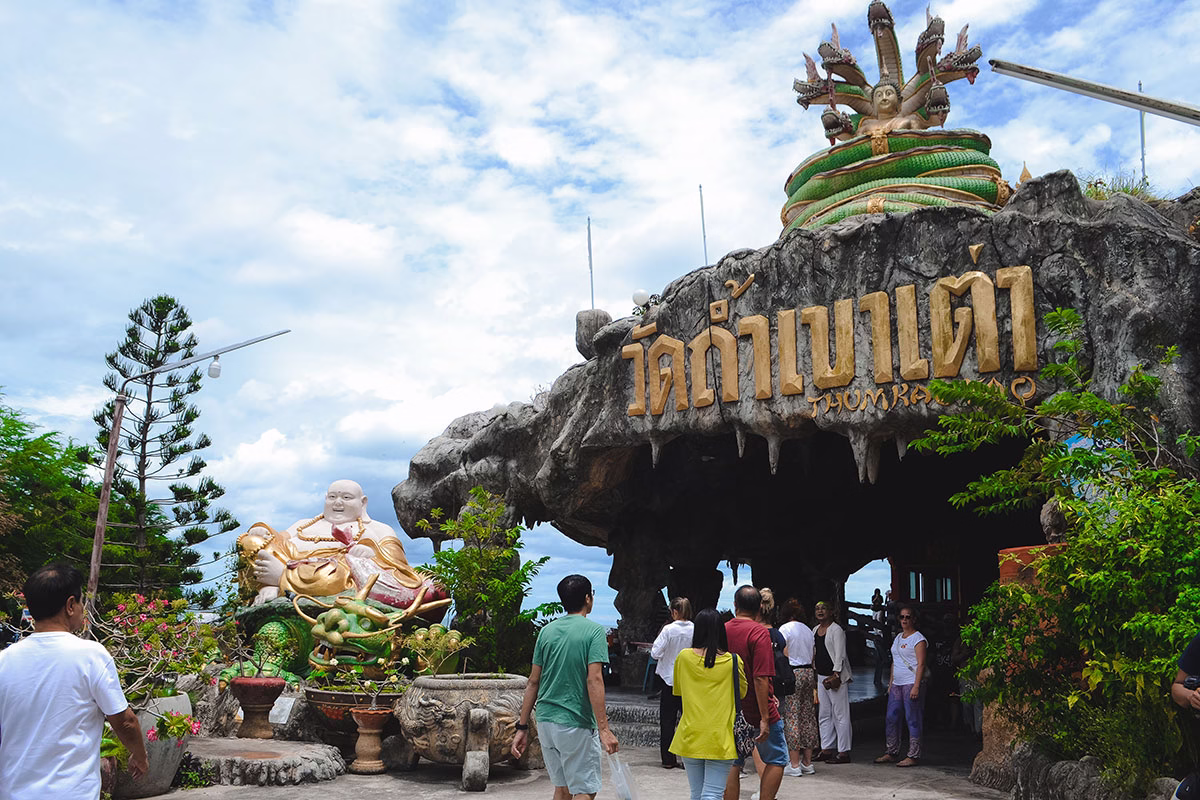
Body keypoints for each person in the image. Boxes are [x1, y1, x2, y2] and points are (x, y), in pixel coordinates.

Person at [0, 564, 149, 798]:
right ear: (70, 605)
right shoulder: (90, 656)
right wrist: (140, 757)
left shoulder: (4, 661)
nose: (82, 609)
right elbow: (125, 722)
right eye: (81, 602)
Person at [238, 479, 447, 613]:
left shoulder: (378, 529)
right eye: (332, 497)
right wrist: (261, 531)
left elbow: (399, 567)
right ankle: (269, 585)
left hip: (330, 575)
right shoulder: (303, 524)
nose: (338, 503)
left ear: (363, 502)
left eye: (346, 498)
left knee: (339, 572)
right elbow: (279, 540)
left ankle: (281, 580)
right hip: (290, 561)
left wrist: (372, 554)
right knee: (250, 543)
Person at [512, 574, 618, 800]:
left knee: (562, 788)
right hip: (575, 722)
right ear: (588, 598)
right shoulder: (594, 632)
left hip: (546, 722)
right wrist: (604, 729)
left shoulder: (547, 631)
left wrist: (522, 727)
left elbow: (533, 681)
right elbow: (594, 679)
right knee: (585, 790)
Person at [669, 608, 747, 800]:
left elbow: (678, 690)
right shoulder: (733, 661)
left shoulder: (684, 657)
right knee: (712, 793)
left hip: (690, 734)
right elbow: (742, 692)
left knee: (696, 794)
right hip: (721, 737)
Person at [723, 585, 786, 800]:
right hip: (757, 708)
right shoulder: (759, 633)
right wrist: (765, 717)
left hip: (730, 708)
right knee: (777, 758)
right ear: (760, 607)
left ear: (735, 605)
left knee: (733, 761)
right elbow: (760, 677)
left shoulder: (723, 630)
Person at [875, 605, 927, 767]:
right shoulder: (898, 637)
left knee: (913, 718)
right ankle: (891, 751)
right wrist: (891, 683)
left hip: (911, 682)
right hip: (897, 683)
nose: (904, 620)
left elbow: (921, 664)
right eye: (902, 617)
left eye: (908, 617)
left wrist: (916, 686)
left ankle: (913, 754)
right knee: (892, 717)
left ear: (914, 619)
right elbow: (895, 661)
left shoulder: (918, 639)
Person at [650, 596, 694, 768]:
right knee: (689, 720)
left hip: (669, 678)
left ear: (674, 612)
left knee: (667, 721)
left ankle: (668, 759)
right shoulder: (694, 629)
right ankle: (690, 757)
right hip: (689, 680)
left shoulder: (668, 630)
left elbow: (655, 652)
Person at [778, 598, 818, 776]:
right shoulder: (808, 630)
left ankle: (794, 764)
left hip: (793, 672)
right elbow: (813, 654)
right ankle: (807, 762)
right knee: (808, 716)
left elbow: (784, 653)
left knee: (791, 716)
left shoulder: (785, 629)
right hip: (808, 671)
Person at [813, 600, 852, 762]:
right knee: (824, 713)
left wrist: (836, 674)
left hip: (835, 677)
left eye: (824, 608)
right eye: (817, 608)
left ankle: (843, 751)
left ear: (831, 612)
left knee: (840, 714)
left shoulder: (836, 630)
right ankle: (826, 748)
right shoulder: (815, 630)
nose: (820, 611)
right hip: (821, 677)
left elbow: (840, 654)